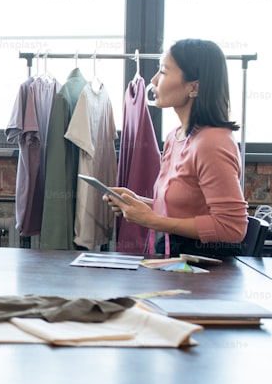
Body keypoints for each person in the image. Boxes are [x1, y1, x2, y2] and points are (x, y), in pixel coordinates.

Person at [105, 38, 248, 257]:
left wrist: (153, 220)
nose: (153, 80)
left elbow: (232, 228)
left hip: (207, 268)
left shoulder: (213, 142)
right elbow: (183, 211)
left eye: (163, 72)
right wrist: (137, 203)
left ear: (194, 87)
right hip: (175, 258)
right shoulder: (175, 136)